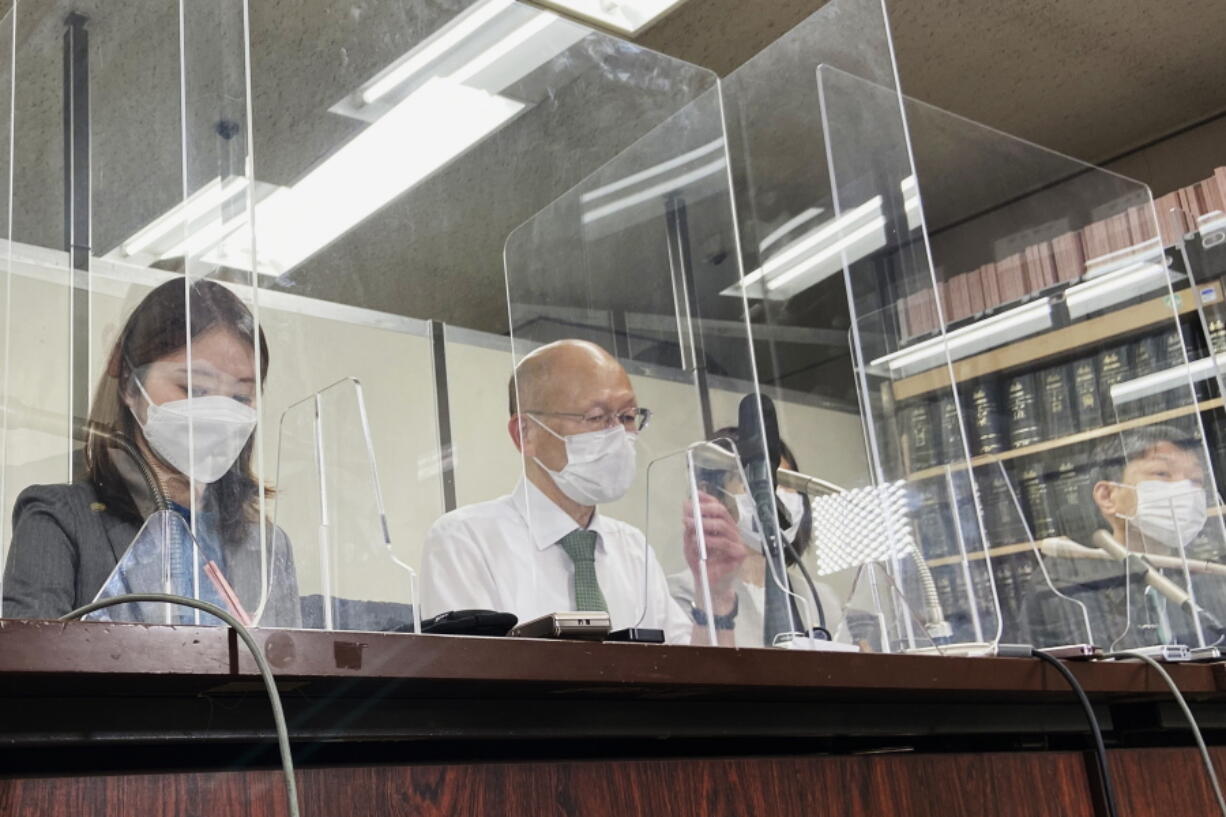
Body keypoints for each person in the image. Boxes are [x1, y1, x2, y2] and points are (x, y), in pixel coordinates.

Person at [2, 278, 299, 625]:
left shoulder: (266, 546)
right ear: (130, 383)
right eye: (195, 388)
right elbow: (30, 666)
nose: (219, 414)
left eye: (240, 398)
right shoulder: (60, 520)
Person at [420, 339, 748, 645]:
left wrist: (715, 595)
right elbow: (470, 684)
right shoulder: (466, 541)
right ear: (525, 433)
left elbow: (696, 681)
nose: (619, 434)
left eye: (628, 416)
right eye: (596, 417)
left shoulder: (633, 549)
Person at [1021, 424, 1226, 650]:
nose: (1185, 488)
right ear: (1107, 496)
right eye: (1162, 474)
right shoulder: (1067, 578)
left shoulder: (1208, 575)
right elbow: (1109, 666)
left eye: (1195, 480)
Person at [666, 427, 843, 647]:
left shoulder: (820, 598)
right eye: (755, 482)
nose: (776, 495)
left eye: (786, 483)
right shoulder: (682, 593)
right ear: (710, 494)